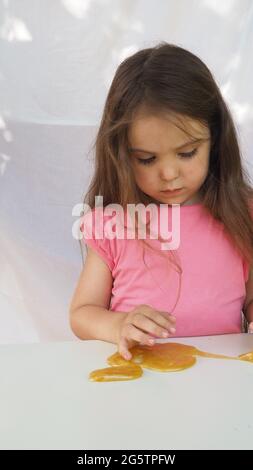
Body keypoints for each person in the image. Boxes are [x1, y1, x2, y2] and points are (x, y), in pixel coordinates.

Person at [69, 42, 253, 360]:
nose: (169, 174)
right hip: (139, 380)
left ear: (216, 137)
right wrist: (118, 325)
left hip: (222, 380)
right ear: (122, 155)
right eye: (147, 159)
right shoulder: (115, 222)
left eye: (186, 153)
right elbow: (82, 313)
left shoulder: (241, 213)